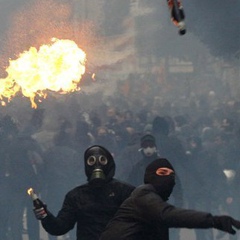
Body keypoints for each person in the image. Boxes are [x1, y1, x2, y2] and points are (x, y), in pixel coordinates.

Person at [100, 158, 240, 240]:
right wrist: (213, 221)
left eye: (171, 175)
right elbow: (169, 215)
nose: (168, 178)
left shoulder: (153, 201)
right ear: (150, 176)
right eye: (162, 172)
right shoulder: (144, 195)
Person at [33, 145, 135, 240]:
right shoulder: (76, 196)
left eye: (102, 160)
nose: (97, 165)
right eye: (92, 161)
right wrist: (45, 216)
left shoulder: (124, 192)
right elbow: (60, 227)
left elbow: (140, 222)